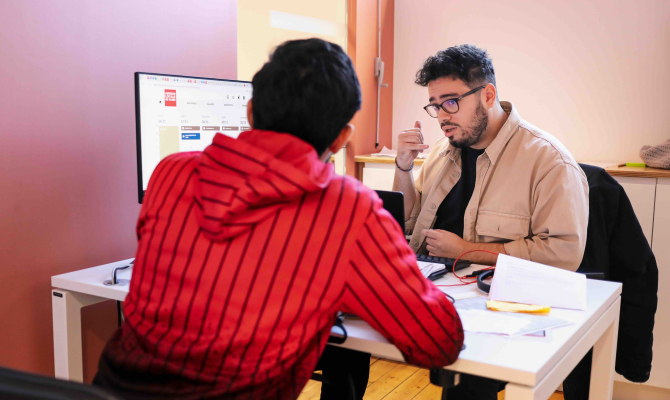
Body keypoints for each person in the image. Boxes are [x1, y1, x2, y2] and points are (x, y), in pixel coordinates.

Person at [93, 38, 463, 400]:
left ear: (251, 112)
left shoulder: (171, 172)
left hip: (111, 388)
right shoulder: (347, 209)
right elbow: (438, 342)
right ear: (341, 139)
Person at [392, 44, 589, 398]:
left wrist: (468, 250)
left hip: (498, 307)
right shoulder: (441, 152)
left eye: (451, 102)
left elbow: (562, 254)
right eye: (435, 105)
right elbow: (407, 224)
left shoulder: (548, 161)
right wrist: (403, 167)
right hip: (436, 292)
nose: (441, 117)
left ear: (487, 94)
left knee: (470, 374)